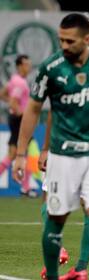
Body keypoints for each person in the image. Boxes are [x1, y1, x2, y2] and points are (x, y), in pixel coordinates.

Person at [12, 13, 89, 280]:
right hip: (63, 153)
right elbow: (34, 109)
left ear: (87, 39)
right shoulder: (51, 67)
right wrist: (22, 152)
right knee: (55, 217)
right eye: (60, 40)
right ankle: (61, 272)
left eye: (69, 40)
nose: (63, 45)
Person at [37, 18, 89, 280]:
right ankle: (80, 268)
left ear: (87, 38)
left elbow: (54, 113)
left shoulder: (68, 67)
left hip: (67, 146)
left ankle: (57, 251)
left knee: (51, 203)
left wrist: (46, 148)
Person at [0, 55, 37, 197]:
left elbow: (3, 94)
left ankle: (26, 187)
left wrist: (13, 105)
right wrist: (23, 114)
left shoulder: (15, 80)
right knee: (22, 152)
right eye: (27, 64)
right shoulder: (19, 83)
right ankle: (26, 188)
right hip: (19, 120)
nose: (29, 67)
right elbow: (14, 102)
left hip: (15, 119)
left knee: (19, 153)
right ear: (20, 65)